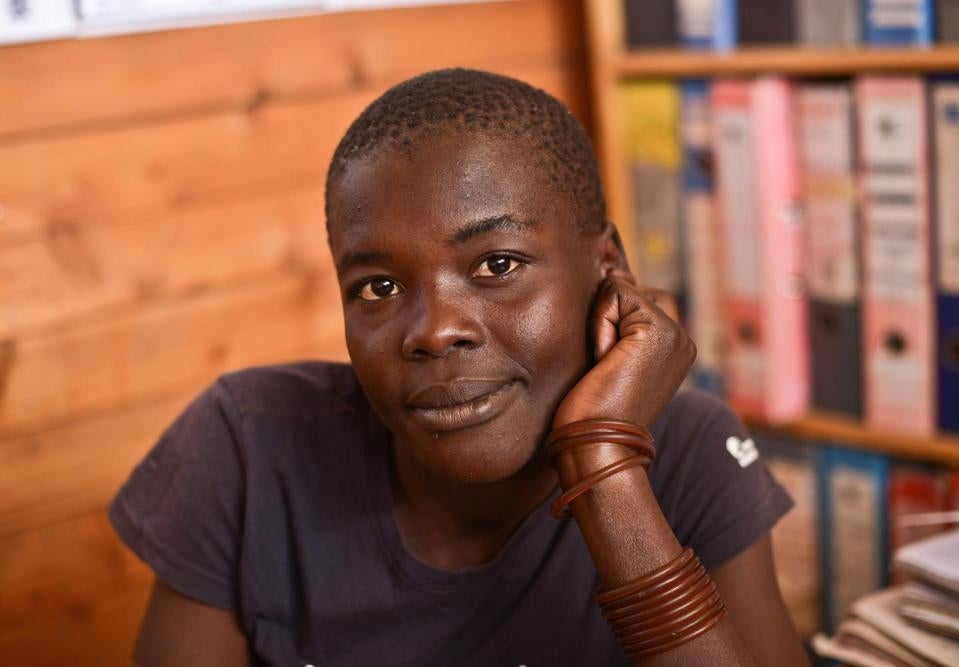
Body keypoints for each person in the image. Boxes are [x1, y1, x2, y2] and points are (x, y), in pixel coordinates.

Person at [110, 68, 809, 666]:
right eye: (379, 286)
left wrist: (603, 461)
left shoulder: (690, 451)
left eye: (497, 264)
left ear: (608, 265)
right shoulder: (249, 448)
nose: (436, 330)